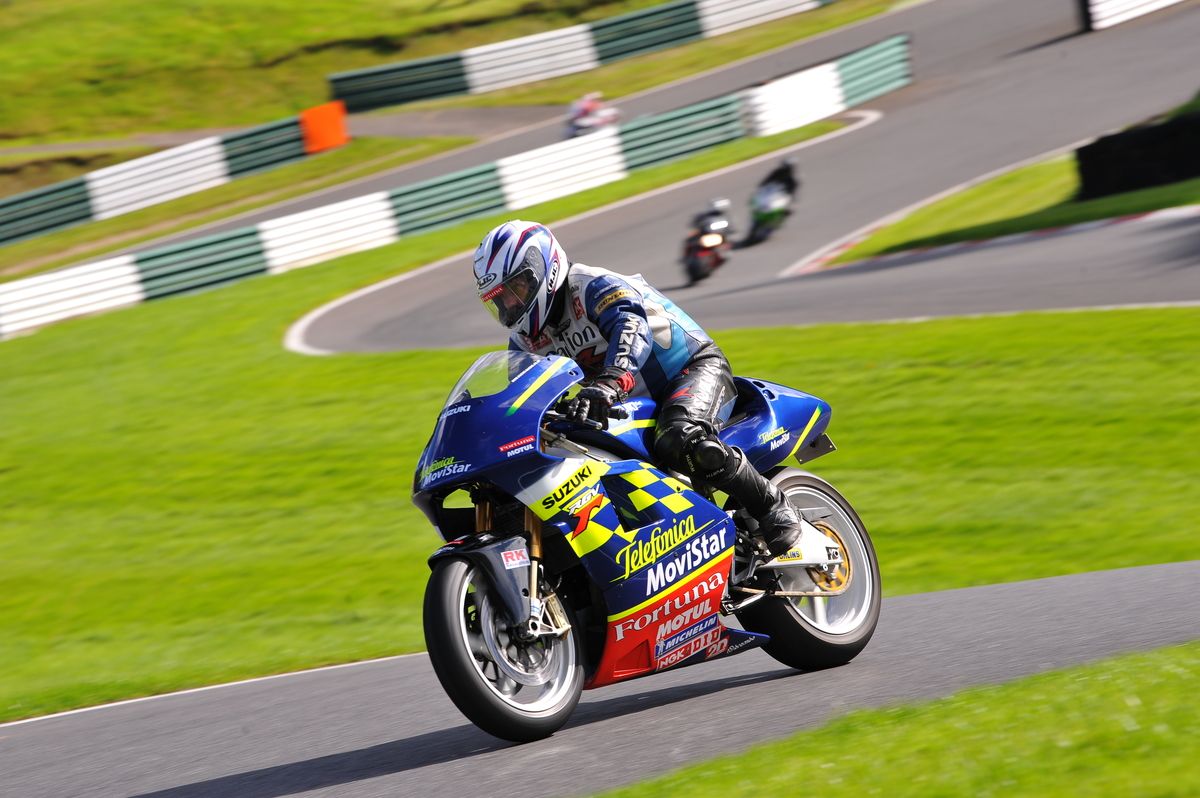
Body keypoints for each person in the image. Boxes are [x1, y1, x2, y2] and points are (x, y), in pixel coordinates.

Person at [472, 220, 802, 557]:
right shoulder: (524, 341)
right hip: (625, 403)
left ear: (544, 268)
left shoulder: (591, 286)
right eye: (501, 300)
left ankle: (774, 508)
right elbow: (521, 396)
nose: (511, 305)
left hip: (690, 370)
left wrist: (611, 381)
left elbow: (630, 325)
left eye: (517, 290)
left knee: (679, 436)